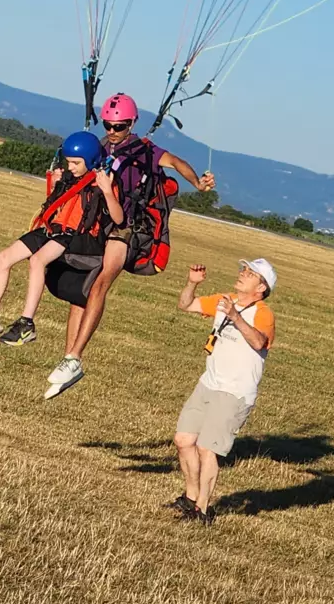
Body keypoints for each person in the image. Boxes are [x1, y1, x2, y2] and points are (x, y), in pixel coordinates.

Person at [44, 92, 212, 400]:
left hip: (126, 228)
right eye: (107, 124)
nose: (111, 131)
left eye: (118, 126)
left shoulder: (146, 150)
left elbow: (177, 162)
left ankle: (74, 357)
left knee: (100, 284)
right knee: (79, 294)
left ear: (131, 123)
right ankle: (69, 359)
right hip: (98, 223)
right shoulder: (98, 147)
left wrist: (198, 184)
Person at [0, 131, 122, 348]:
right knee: (4, 257)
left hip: (77, 237)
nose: (71, 167)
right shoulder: (68, 179)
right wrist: (55, 186)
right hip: (52, 230)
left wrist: (108, 191)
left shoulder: (102, 183)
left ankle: (26, 323)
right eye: (68, 162)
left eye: (76, 163)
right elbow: (58, 207)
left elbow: (119, 218)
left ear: (91, 161)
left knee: (37, 261)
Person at [168, 257, 277, 523]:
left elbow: (259, 341)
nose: (242, 274)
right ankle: (190, 497)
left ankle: (202, 511)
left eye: (250, 273)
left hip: (234, 391)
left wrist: (234, 316)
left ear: (261, 287)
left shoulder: (263, 313)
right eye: (244, 269)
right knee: (183, 439)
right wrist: (191, 284)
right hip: (209, 382)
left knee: (208, 449)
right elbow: (186, 305)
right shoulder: (224, 299)